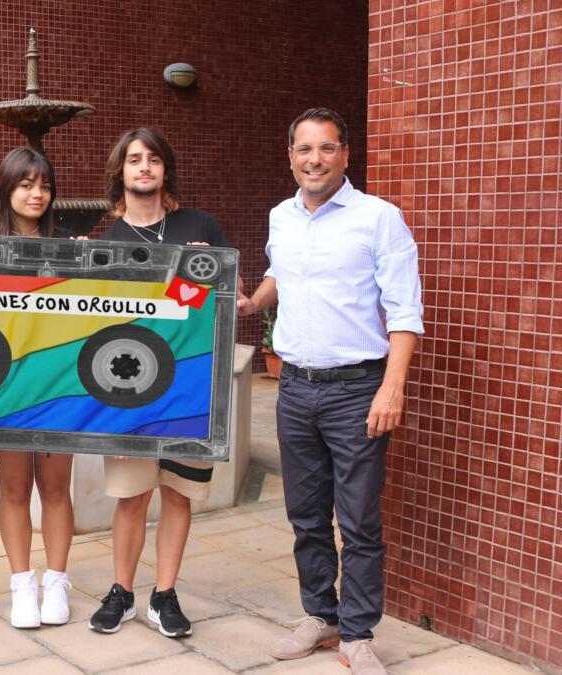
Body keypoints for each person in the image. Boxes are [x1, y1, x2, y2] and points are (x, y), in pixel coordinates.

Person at [238, 107, 423, 675]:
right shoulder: (281, 217)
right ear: (290, 156)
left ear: (345, 154)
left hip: (357, 389)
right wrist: (250, 303)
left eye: (326, 148)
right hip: (295, 388)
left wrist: (392, 389)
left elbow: (405, 312)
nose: (313, 159)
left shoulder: (379, 219)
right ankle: (320, 615)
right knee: (306, 515)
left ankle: (358, 632)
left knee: (359, 520)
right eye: (303, 149)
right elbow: (280, 276)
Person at [88, 127, 231, 639]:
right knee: (131, 496)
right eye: (133, 160)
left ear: (165, 169)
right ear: (120, 172)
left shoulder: (201, 227)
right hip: (130, 394)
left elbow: (221, 307)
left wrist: (203, 269)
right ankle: (121, 591)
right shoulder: (107, 244)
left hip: (190, 389)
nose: (143, 167)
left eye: (152, 159)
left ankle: (164, 594)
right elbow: (98, 329)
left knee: (177, 494)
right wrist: (110, 414)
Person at [0, 147, 75, 628]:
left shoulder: (71, 246)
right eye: (25, 184)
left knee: (56, 488)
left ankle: (56, 580)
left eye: (43, 185)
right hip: (6, 387)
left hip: (58, 384)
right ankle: (22, 584)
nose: (36, 193)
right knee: (14, 489)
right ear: (7, 189)